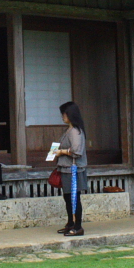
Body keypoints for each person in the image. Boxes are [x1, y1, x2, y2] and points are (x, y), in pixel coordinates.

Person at [55, 101, 88, 236]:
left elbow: (76, 151)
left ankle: (78, 226)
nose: (62, 116)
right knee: (68, 198)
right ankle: (70, 223)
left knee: (74, 198)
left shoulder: (75, 131)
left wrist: (61, 152)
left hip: (74, 169)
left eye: (64, 113)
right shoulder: (69, 130)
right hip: (66, 168)